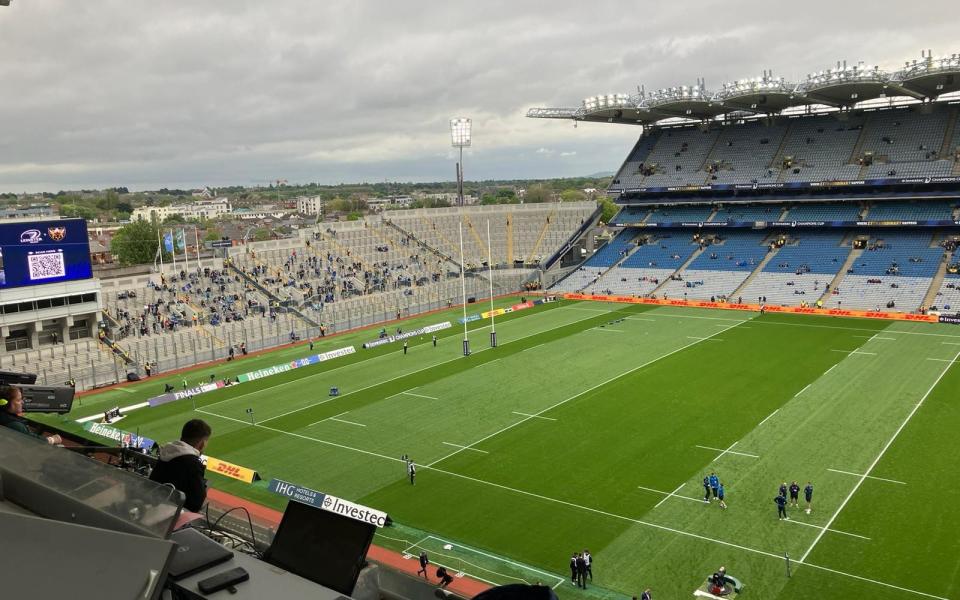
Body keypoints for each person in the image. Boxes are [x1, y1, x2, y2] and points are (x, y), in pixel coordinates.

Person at [149, 419, 211, 512]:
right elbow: (196, 503)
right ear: (202, 444)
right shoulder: (193, 464)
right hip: (171, 514)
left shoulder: (166, 452)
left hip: (151, 505)